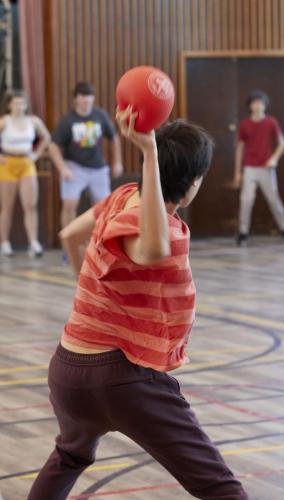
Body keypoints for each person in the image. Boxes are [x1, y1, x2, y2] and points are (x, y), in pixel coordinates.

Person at [27, 107, 249, 500]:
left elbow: (68, 234)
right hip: (120, 377)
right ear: (194, 182)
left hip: (67, 369)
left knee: (70, 455)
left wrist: (91, 284)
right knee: (220, 488)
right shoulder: (165, 230)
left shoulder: (121, 196)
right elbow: (152, 248)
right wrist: (147, 153)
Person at [49, 81, 123, 231]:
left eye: (89, 96)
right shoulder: (68, 120)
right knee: (69, 204)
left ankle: (99, 243)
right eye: (82, 96)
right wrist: (62, 168)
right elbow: (53, 145)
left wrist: (117, 162)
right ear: (76, 99)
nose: (86, 100)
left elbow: (114, 137)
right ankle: (68, 247)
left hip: (98, 168)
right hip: (74, 168)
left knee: (103, 206)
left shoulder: (100, 115)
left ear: (93, 98)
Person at [233, 90, 284, 246]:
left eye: (260, 102)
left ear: (265, 105)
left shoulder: (271, 122)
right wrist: (237, 172)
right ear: (250, 106)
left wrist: (274, 159)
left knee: (274, 200)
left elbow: (282, 143)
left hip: (266, 168)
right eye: (255, 102)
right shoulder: (245, 124)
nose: (258, 105)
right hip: (249, 168)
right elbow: (240, 148)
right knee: (246, 200)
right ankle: (242, 233)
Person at [0, 90, 50, 257]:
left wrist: (36, 154)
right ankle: (5, 243)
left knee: (30, 205)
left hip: (27, 162)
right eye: (15, 103)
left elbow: (46, 137)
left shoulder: (33, 121)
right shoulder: (4, 121)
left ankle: (33, 242)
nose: (19, 106)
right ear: (9, 105)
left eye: (22, 103)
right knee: (7, 206)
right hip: (8, 163)